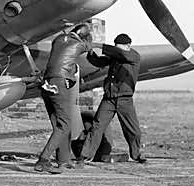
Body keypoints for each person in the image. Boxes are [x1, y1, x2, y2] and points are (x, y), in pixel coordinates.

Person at [76, 33, 146, 164]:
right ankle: (84, 156)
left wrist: (98, 45)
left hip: (125, 99)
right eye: (116, 47)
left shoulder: (133, 56)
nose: (117, 50)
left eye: (119, 47)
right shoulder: (115, 57)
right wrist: (90, 50)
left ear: (128, 46)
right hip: (109, 99)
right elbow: (98, 61)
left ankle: (137, 154)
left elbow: (121, 54)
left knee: (133, 129)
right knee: (97, 126)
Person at [34, 23, 92, 174]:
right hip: (60, 83)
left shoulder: (58, 39)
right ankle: (43, 160)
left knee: (58, 124)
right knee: (65, 125)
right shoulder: (79, 44)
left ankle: (63, 160)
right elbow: (89, 47)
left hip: (46, 83)